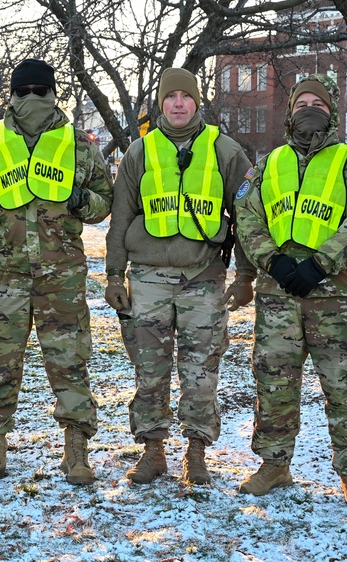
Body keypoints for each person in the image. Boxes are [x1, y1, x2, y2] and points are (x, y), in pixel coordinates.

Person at [0, 59, 113, 485]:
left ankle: (76, 447)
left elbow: (105, 199)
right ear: (11, 94)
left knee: (70, 363)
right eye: (22, 90)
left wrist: (80, 198)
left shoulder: (78, 143)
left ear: (53, 93)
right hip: (5, 273)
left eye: (39, 90)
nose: (31, 98)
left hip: (61, 275)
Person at [104, 67, 256, 486]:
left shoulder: (225, 150)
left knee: (201, 369)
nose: (177, 104)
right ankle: (153, 452)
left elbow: (246, 215)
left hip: (203, 276)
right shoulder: (140, 151)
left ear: (196, 102)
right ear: (160, 103)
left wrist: (245, 275)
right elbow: (121, 217)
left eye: (185, 97)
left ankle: (197, 453)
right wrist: (115, 275)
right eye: (170, 97)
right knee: (149, 370)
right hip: (149, 276)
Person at [233, 75, 347, 506]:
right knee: (274, 382)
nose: (308, 108)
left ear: (332, 111)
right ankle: (274, 465)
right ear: (290, 110)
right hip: (278, 294)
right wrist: (274, 262)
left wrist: (319, 265)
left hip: (335, 295)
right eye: (302, 102)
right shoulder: (268, 163)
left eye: (317, 102)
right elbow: (247, 215)